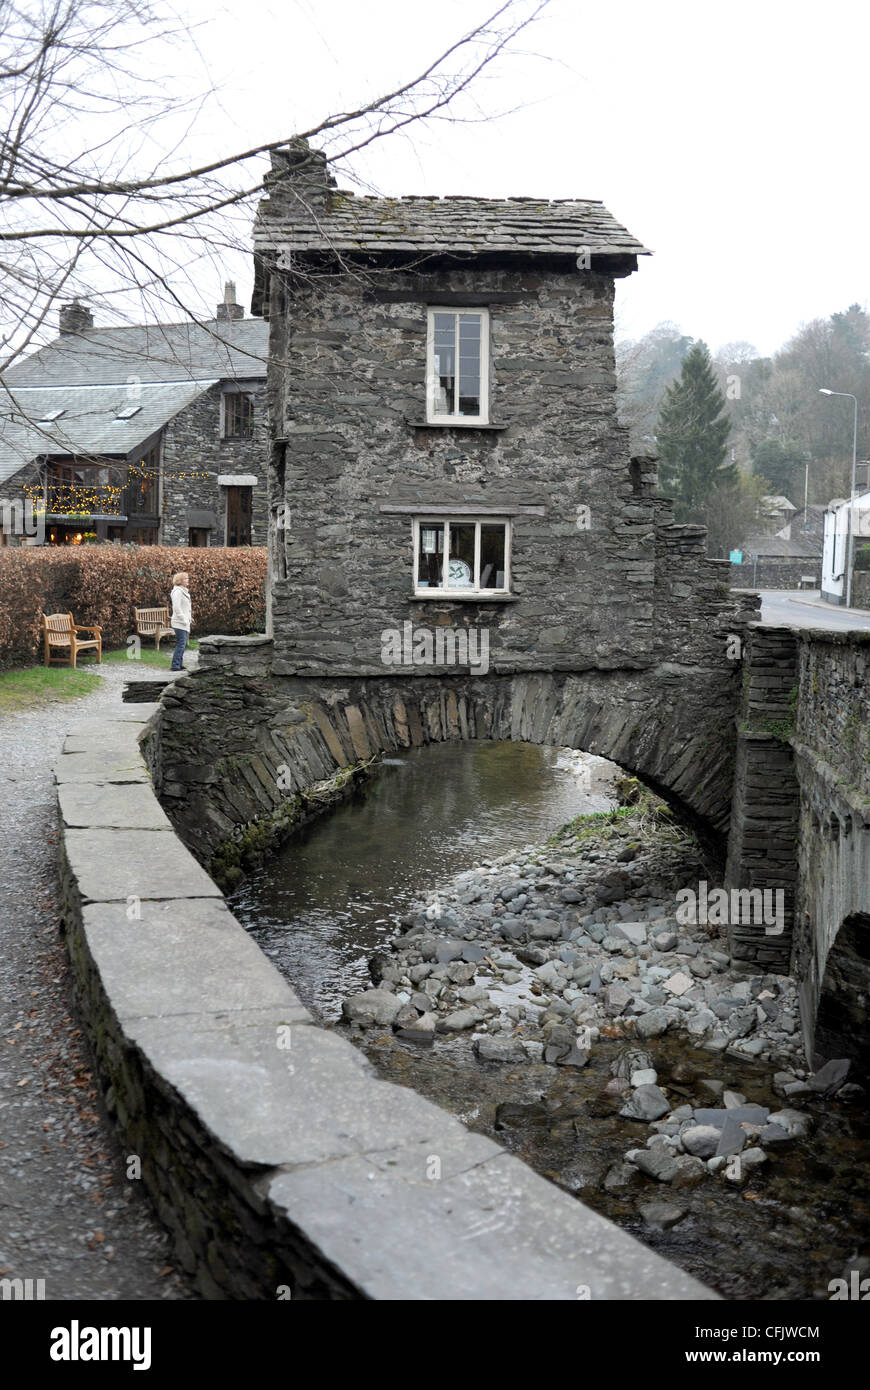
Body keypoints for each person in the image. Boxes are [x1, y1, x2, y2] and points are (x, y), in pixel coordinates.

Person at [169, 571, 192, 671]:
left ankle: (179, 664)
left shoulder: (183, 590)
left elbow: (185, 607)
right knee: (181, 643)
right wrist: (184, 619)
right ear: (180, 581)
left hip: (184, 622)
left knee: (182, 644)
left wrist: (189, 618)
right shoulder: (177, 591)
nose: (188, 580)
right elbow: (177, 608)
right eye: (186, 579)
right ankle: (175, 665)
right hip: (179, 622)